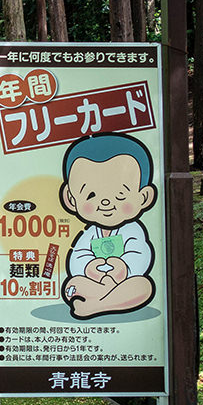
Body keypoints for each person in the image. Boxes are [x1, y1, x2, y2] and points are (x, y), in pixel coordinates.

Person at [57, 132, 158, 319]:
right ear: (70, 199)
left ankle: (96, 305)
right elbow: (78, 254)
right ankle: (108, 301)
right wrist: (88, 267)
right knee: (73, 284)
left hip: (124, 282)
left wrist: (123, 268)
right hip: (94, 281)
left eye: (120, 196)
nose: (105, 203)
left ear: (144, 197)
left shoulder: (133, 230)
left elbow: (140, 253)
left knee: (143, 286)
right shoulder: (90, 233)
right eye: (91, 195)